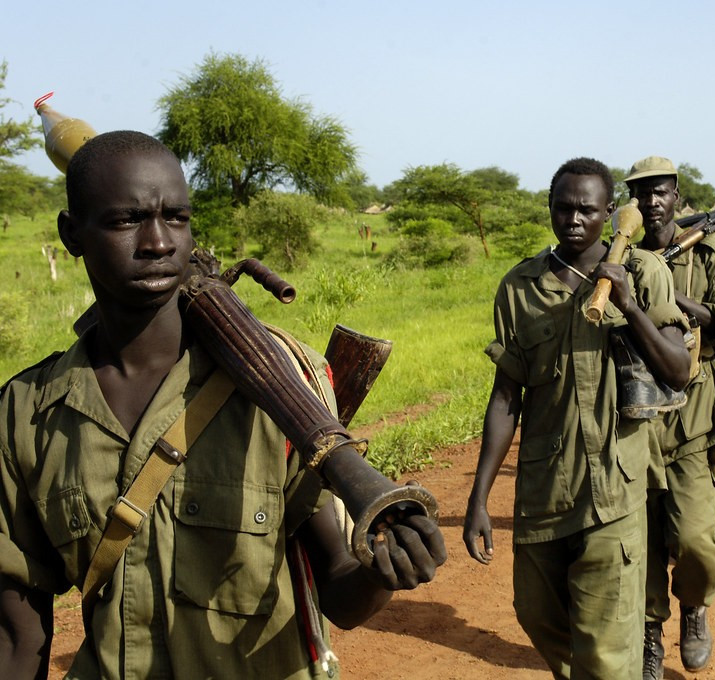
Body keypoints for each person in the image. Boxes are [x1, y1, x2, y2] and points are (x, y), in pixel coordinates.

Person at [0, 131, 445, 679]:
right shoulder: (27, 413)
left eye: (176, 218)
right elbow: (17, 631)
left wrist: (382, 571)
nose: (158, 242)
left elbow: (338, 589)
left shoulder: (283, 389)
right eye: (126, 220)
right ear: (72, 234)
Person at [463, 157, 690, 679]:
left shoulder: (643, 272)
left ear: (609, 213)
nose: (573, 220)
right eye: (563, 208)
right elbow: (506, 396)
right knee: (538, 616)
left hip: (615, 488)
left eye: (587, 210)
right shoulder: (520, 286)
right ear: (549, 209)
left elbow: (678, 370)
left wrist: (629, 307)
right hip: (545, 489)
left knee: (606, 654)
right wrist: (478, 498)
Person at [627, 156, 715, 677]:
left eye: (660, 192)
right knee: (642, 542)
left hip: (691, 419)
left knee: (697, 542)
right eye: (641, 193)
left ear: (677, 196)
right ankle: (650, 635)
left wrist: (664, 293)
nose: (651, 202)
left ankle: (694, 608)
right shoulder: (622, 255)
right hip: (634, 419)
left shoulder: (711, 251)